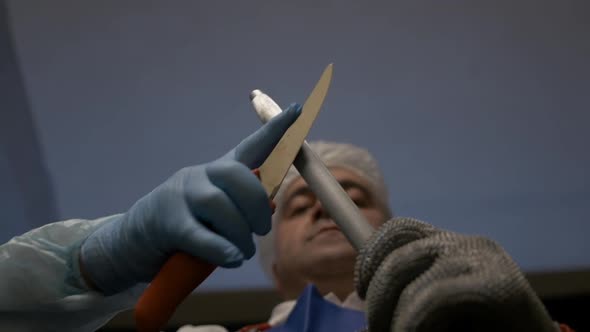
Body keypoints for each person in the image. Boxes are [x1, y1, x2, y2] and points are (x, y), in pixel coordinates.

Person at [0, 103, 573, 331]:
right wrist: (85, 267)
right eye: (299, 204)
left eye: (354, 196)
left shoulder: (495, 316)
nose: (327, 203)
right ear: (271, 265)